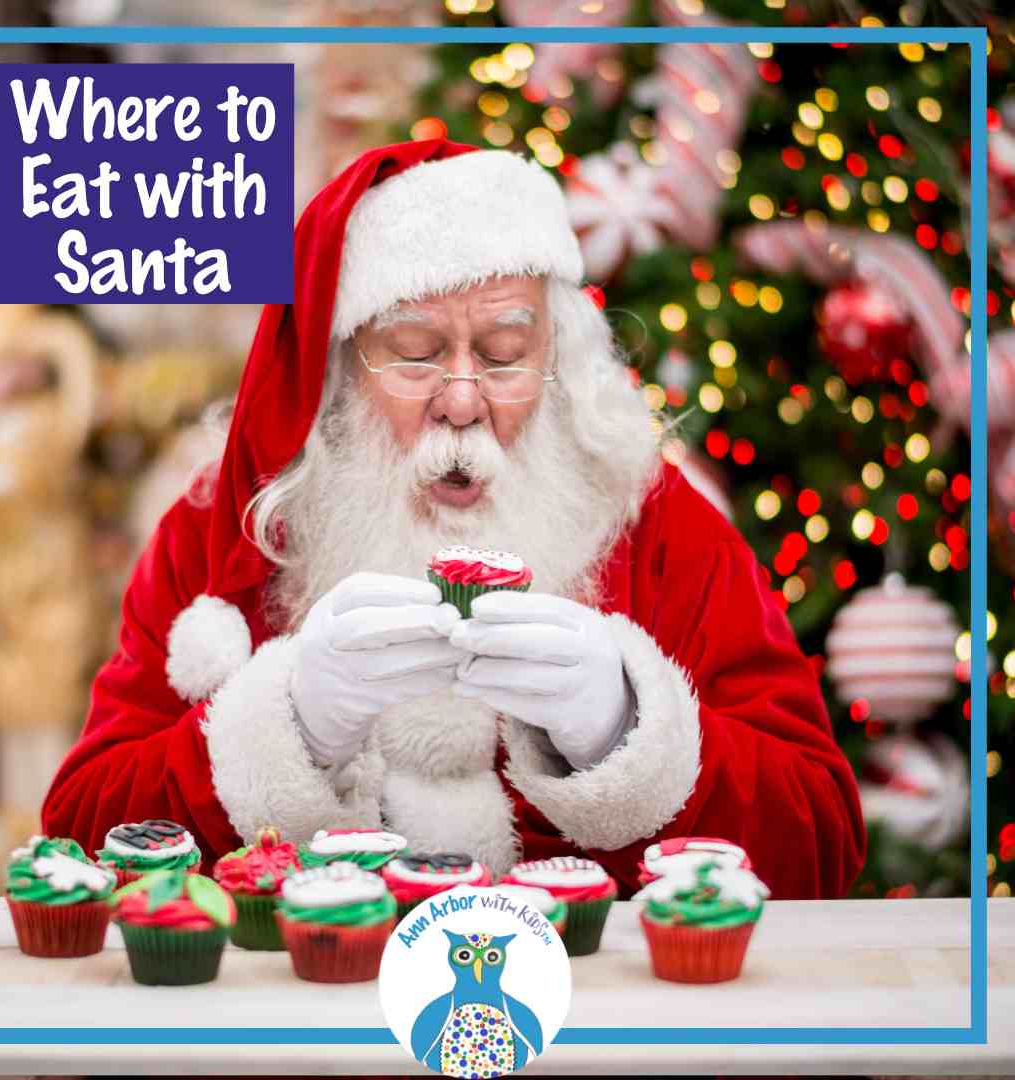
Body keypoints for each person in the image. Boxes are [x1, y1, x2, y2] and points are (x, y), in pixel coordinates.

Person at [42, 140, 865, 898]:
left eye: (506, 354)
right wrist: (285, 727)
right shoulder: (231, 529)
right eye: (414, 352)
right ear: (341, 365)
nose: (464, 400)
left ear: (559, 353)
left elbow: (821, 843)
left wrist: (624, 735)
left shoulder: (650, 519)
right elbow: (81, 838)